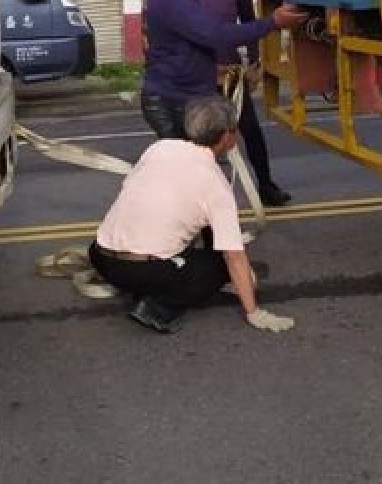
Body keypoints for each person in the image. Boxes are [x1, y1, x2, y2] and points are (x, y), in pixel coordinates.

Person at [89, 96, 296, 334]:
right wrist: (254, 312)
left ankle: (144, 284)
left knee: (180, 247)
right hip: (141, 271)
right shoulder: (215, 184)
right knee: (219, 268)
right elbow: (234, 256)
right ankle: (159, 307)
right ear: (227, 135)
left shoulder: (159, 148)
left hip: (100, 258)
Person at [141, 0, 306, 140]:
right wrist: (273, 22)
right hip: (174, 101)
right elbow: (217, 35)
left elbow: (184, 45)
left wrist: (213, 68)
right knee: (191, 165)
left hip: (184, 94)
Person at [193, 0, 291, 207]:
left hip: (232, 76)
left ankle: (266, 185)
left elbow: (250, 25)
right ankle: (202, 197)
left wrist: (255, 62)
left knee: (249, 130)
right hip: (199, 76)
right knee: (200, 137)